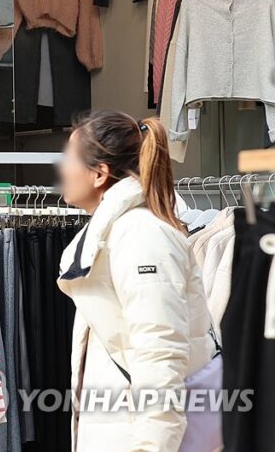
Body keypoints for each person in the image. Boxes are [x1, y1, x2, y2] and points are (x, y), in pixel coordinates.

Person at [57, 111, 219, 451]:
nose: (62, 169)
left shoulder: (140, 235)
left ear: (99, 174)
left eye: (69, 158)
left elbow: (160, 352)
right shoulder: (116, 234)